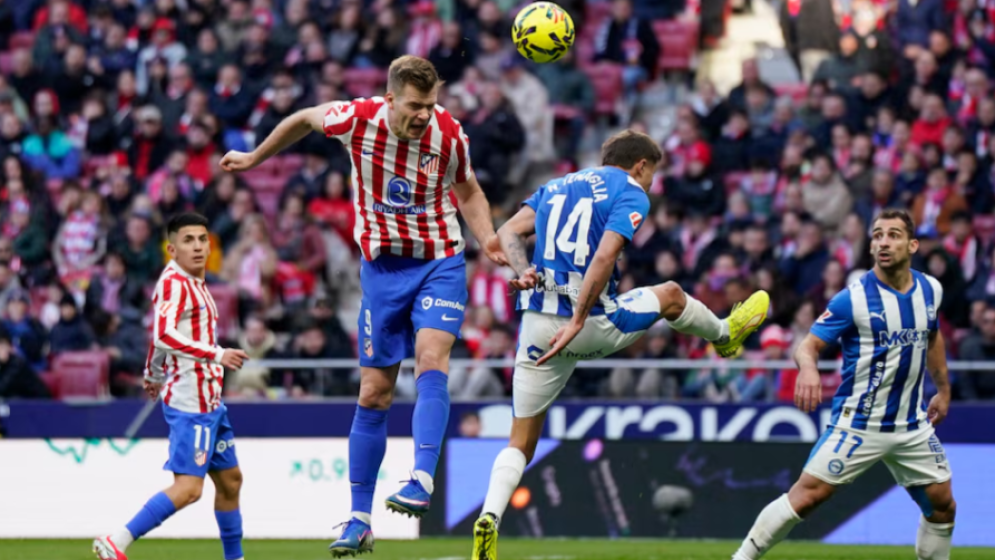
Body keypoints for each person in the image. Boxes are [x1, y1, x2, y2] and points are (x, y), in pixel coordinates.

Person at [219, 55, 505, 557]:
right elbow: (304, 117)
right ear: (390, 99)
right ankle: (359, 520)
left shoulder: (448, 133)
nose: (424, 115)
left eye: (430, 104)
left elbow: (470, 191)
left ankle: (421, 478)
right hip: (381, 272)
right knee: (373, 393)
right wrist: (254, 158)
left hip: (438, 260)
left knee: (431, 358)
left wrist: (489, 239)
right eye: (414, 106)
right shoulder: (357, 119)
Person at [471, 130, 771, 560]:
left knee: (519, 442)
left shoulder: (558, 185)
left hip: (536, 328)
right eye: (652, 174)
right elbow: (604, 256)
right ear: (640, 165)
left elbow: (506, 233)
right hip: (590, 322)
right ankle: (725, 335)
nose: (650, 183)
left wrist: (523, 270)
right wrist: (578, 319)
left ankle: (490, 518)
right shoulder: (630, 191)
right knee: (671, 294)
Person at [731, 209, 956, 560]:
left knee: (942, 506)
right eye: (877, 235)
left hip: (911, 424)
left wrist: (942, 389)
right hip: (858, 423)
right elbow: (807, 346)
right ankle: (741, 558)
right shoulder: (853, 298)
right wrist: (808, 369)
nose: (883, 242)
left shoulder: (930, 289)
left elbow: (932, 336)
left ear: (912, 245)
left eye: (893, 235)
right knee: (807, 497)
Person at [92, 213, 250, 560]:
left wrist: (152, 372)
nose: (197, 247)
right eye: (188, 240)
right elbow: (163, 334)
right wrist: (218, 354)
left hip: (210, 400)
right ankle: (116, 540)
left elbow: (161, 339)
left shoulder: (195, 281)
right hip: (192, 403)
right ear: (172, 249)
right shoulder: (175, 282)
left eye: (202, 239)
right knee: (189, 488)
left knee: (230, 481)